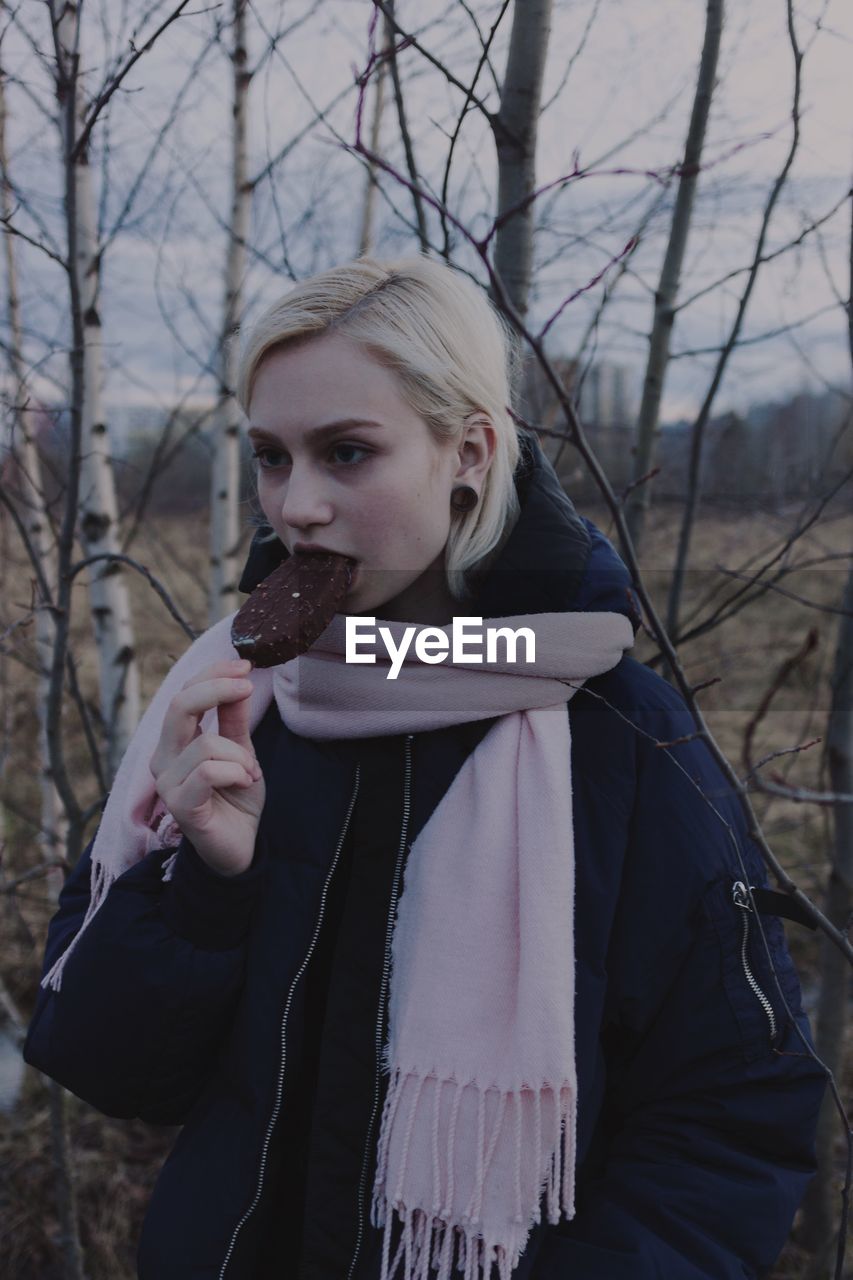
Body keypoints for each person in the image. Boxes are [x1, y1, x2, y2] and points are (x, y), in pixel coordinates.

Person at [24, 254, 826, 1280]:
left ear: (469, 450)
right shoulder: (238, 696)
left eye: (346, 452)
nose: (295, 504)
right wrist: (204, 891)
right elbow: (107, 1064)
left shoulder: (614, 732)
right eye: (271, 456)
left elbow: (730, 1112)